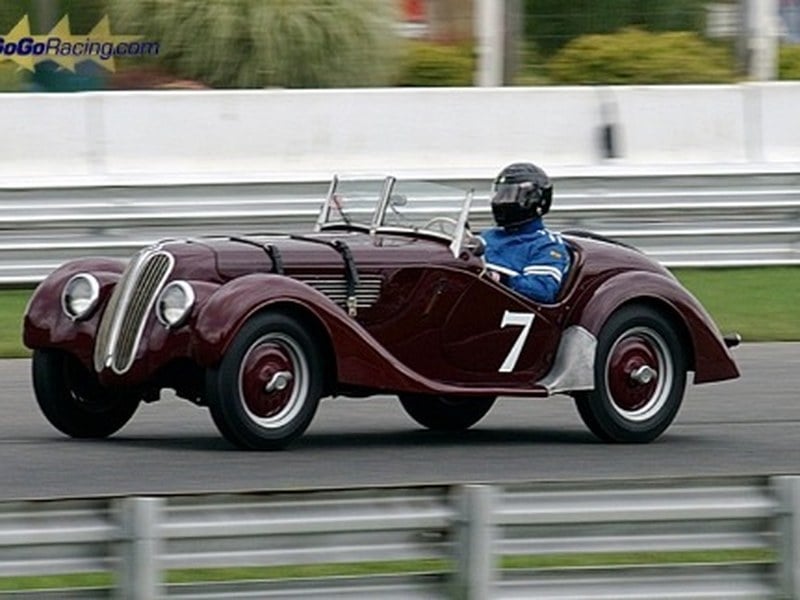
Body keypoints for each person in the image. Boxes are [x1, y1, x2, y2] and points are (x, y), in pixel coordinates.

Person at [481, 162, 570, 304]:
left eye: (510, 195)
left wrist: (499, 279)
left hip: (506, 309)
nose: (501, 201)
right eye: (501, 194)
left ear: (535, 200)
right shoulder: (487, 236)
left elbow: (542, 290)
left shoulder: (546, 246)